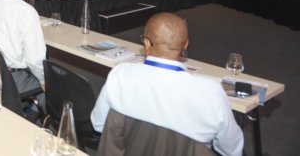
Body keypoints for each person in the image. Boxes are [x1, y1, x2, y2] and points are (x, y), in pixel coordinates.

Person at [90, 12, 243, 156]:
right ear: (185, 45)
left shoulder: (121, 74)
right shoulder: (211, 92)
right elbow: (232, 150)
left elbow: (98, 124)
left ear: (146, 43)